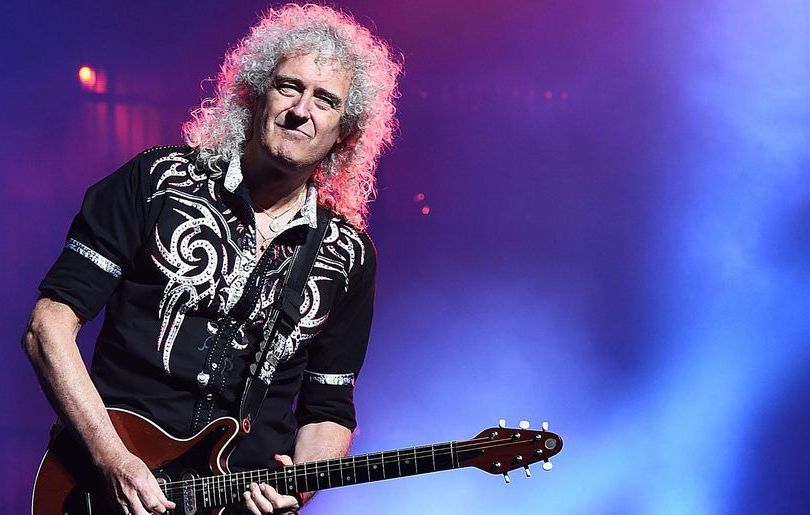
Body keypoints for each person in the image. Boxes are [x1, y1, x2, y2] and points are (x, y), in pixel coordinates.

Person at [23, 4, 401, 514]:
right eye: (289, 86)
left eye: (325, 100)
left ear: (345, 133)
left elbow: (328, 408)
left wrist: (299, 486)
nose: (301, 110)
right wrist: (113, 459)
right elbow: (47, 327)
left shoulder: (348, 255)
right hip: (102, 489)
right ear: (254, 94)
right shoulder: (157, 182)